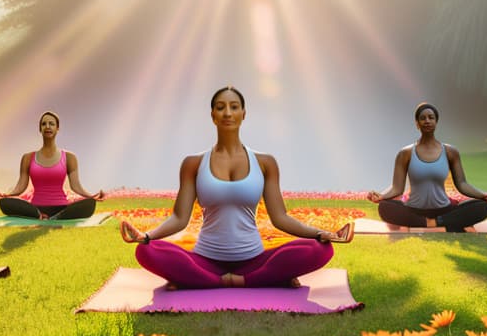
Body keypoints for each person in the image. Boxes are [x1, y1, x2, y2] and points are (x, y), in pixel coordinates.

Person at [119, 86, 352, 288]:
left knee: (321, 248)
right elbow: (179, 218)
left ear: (243, 114)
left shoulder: (265, 163)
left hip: (252, 258)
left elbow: (280, 218)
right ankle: (252, 280)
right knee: (145, 251)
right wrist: (146, 236)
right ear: (212, 115)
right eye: (220, 107)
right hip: (206, 258)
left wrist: (321, 233)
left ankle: (207, 281)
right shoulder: (193, 163)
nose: (227, 113)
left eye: (234, 106)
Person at [366, 102, 487, 232]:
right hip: (414, 209)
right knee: (384, 207)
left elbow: (462, 184)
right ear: (417, 123)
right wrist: (381, 196)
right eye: (422, 118)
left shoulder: (450, 152)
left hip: (443, 209)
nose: (427, 121)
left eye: (431, 117)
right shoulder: (405, 153)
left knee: (482, 207)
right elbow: (397, 188)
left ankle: (431, 222)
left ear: (436, 122)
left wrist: (484, 195)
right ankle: (441, 222)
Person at [0, 111, 104, 219]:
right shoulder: (27, 158)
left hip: (61, 208)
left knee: (89, 204)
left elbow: (76, 186)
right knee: (5, 203)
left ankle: (56, 216)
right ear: (40, 129)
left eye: (51, 124)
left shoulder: (69, 157)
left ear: (57, 128)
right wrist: (7, 195)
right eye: (44, 124)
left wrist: (91, 196)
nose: (47, 126)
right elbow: (21, 186)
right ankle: (42, 216)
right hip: (35, 208)